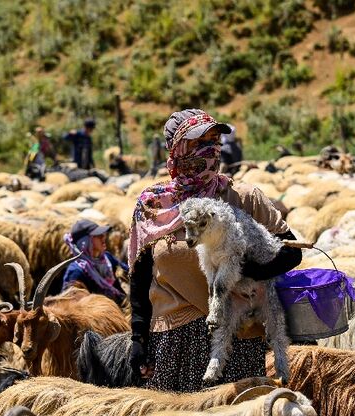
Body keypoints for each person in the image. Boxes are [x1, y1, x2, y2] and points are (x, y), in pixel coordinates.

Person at [128, 109, 302, 392]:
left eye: (215, 142)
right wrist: (138, 339)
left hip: (237, 341)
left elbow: (291, 251)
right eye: (200, 143)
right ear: (178, 149)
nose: (211, 151)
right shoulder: (153, 205)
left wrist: (244, 268)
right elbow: (140, 278)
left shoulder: (244, 198)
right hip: (174, 344)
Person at [61, 219, 128, 306]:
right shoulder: (76, 272)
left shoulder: (107, 258)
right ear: (85, 242)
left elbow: (129, 272)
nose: (103, 238)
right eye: (98, 236)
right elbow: (72, 306)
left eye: (103, 235)